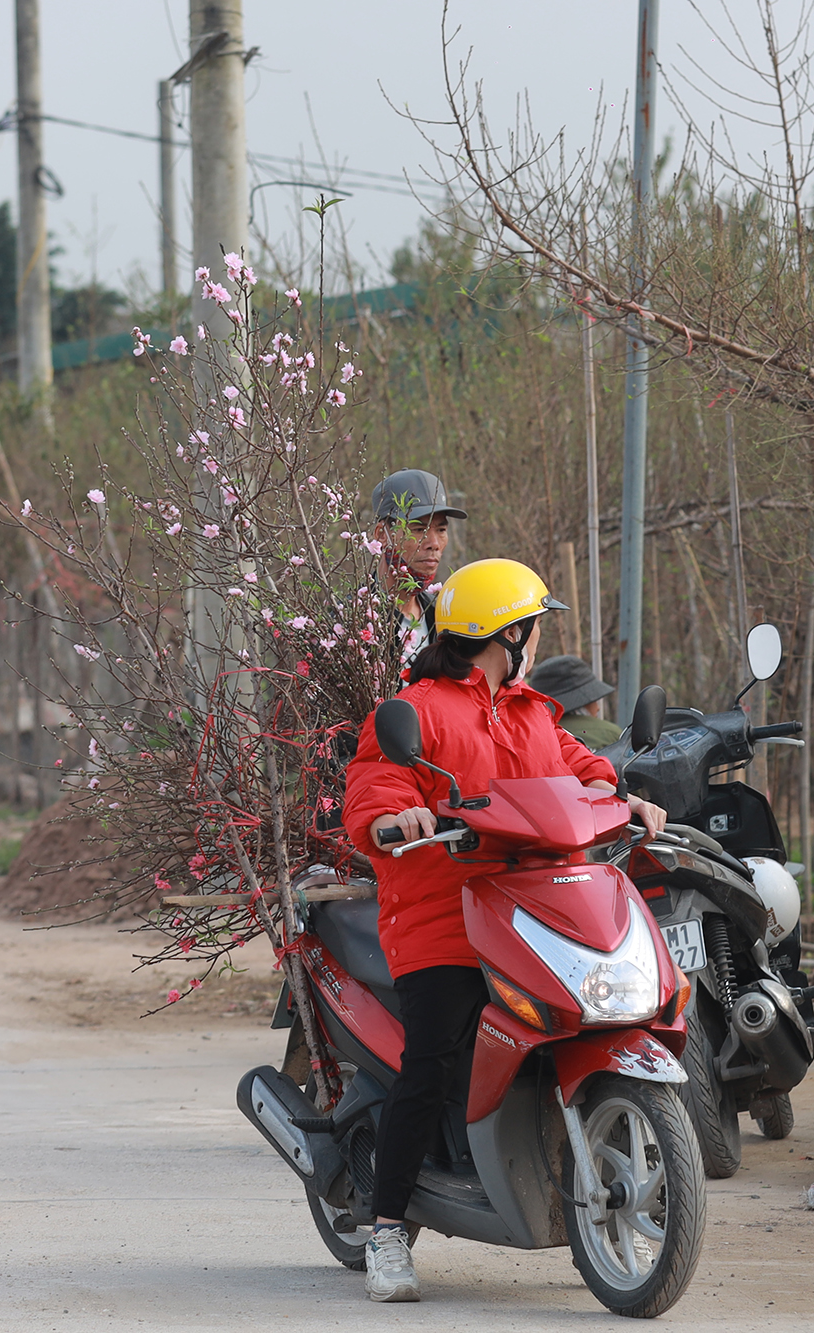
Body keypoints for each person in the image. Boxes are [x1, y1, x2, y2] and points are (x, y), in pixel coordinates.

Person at [340, 557, 668, 1302]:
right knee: (432, 1056)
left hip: (531, 904)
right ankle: (388, 1229)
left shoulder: (531, 709)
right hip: (441, 915)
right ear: (508, 631)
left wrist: (627, 797)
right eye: (535, 621)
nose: (540, 633)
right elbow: (375, 785)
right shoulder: (416, 711)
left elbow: (583, 769)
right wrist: (397, 817)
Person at [368, 469, 467, 676]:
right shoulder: (355, 623)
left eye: (441, 530)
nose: (434, 544)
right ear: (381, 534)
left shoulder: (445, 619)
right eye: (419, 530)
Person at [528, 654, 623, 749]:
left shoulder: (529, 736)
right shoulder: (611, 734)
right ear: (584, 702)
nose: (597, 708)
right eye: (594, 700)